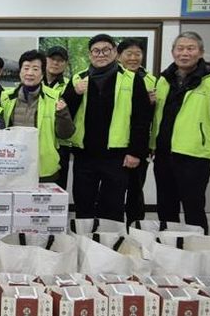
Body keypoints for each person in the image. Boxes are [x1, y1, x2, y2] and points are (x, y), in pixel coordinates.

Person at [151, 31, 210, 234]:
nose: (184, 53)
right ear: (173, 52)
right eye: (180, 48)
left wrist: (205, 142)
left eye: (190, 48)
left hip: (194, 158)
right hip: (163, 154)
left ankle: (198, 248)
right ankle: (169, 245)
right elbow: (159, 116)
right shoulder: (163, 80)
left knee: (193, 208)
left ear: (201, 52)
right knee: (166, 206)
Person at [62, 34, 151, 222]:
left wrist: (136, 152)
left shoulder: (132, 79)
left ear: (115, 52)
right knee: (83, 203)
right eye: (96, 51)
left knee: (112, 206)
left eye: (106, 50)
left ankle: (110, 240)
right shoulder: (79, 78)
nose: (100, 54)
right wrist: (75, 92)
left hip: (116, 155)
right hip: (84, 154)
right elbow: (64, 111)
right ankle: (84, 238)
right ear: (90, 54)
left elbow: (141, 119)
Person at [1, 50, 75, 182]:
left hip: (44, 168)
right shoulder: (6, 97)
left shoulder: (54, 97)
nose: (30, 73)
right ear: (20, 72)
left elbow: (65, 134)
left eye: (35, 69)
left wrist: (63, 113)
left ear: (42, 74)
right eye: (26, 68)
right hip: (11, 165)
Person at [117, 39, 158, 224]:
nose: (133, 58)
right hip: (117, 143)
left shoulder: (151, 80)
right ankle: (114, 229)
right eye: (129, 54)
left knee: (135, 189)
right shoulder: (113, 77)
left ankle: (135, 227)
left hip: (140, 144)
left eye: (138, 54)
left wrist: (152, 104)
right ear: (119, 56)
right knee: (115, 190)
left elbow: (155, 116)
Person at [45, 45, 72, 190]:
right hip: (39, 140)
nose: (55, 63)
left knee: (57, 188)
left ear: (65, 64)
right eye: (52, 59)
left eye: (60, 60)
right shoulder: (35, 81)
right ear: (45, 60)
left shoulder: (70, 85)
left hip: (61, 143)